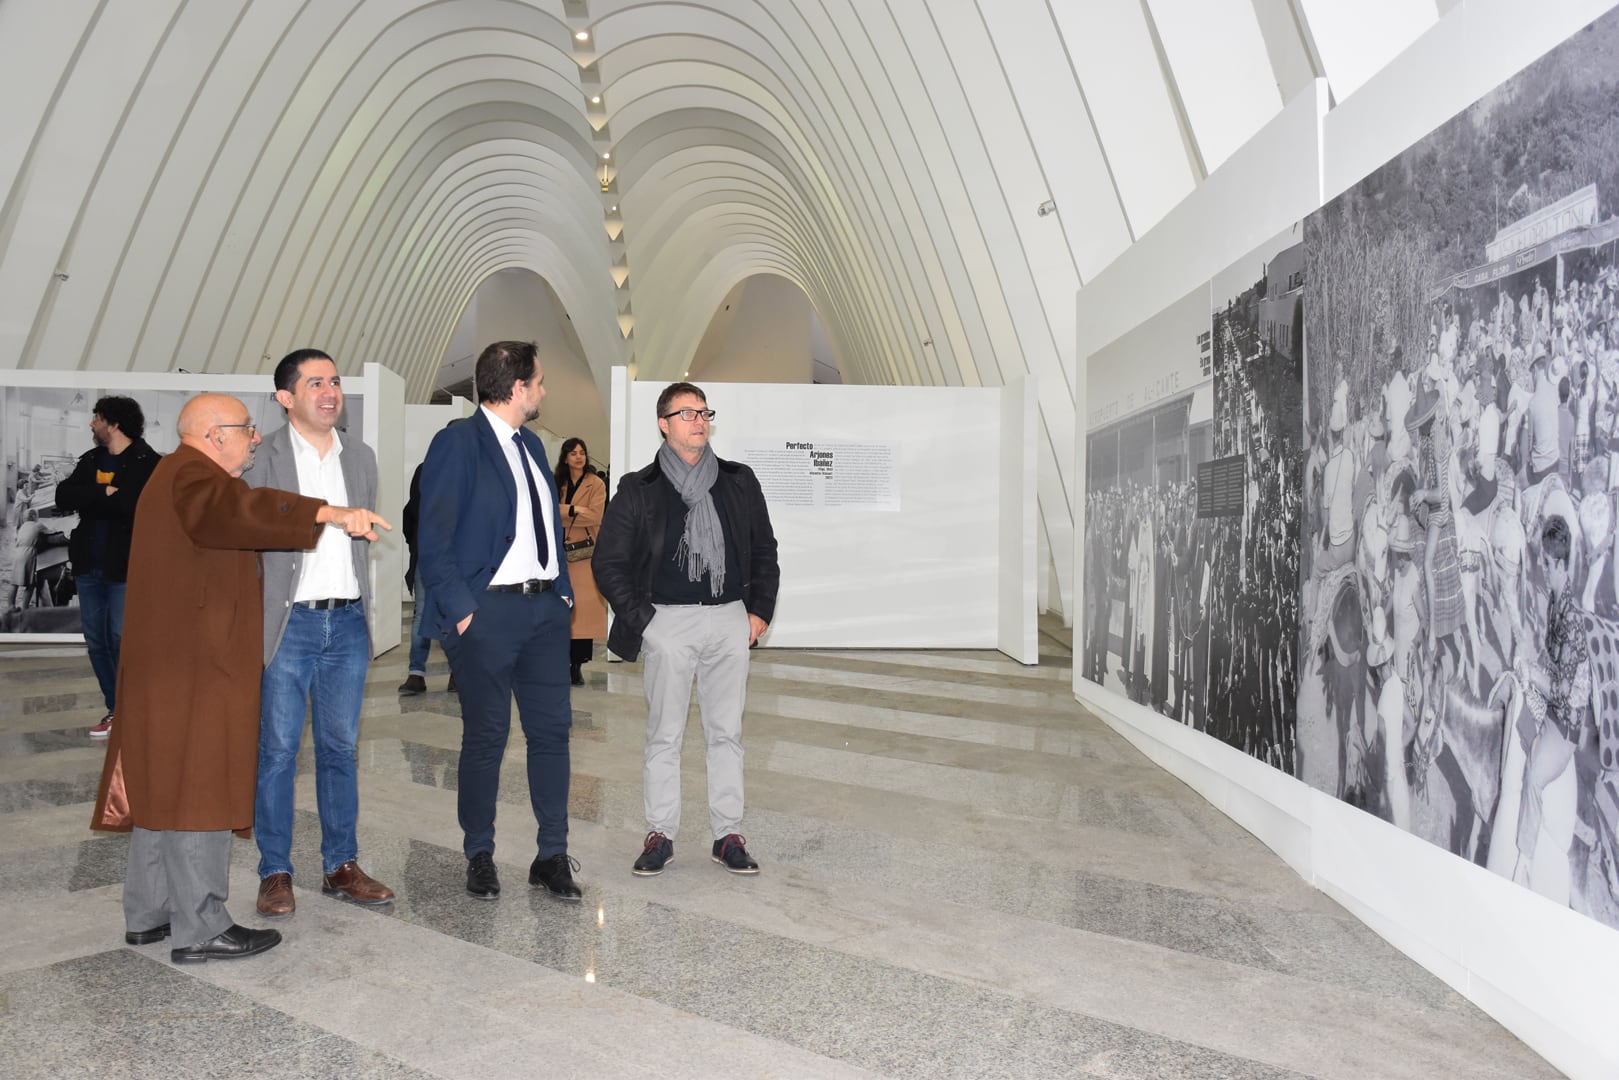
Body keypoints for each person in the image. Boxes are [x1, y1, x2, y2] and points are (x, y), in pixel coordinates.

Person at [88, 393, 387, 963]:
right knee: (198, 787)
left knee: (162, 787)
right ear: (214, 434)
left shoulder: (178, 474)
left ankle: (149, 913)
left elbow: (233, 516)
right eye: (247, 430)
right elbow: (239, 513)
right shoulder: (194, 477)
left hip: (170, 667)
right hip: (194, 670)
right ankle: (201, 927)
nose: (256, 438)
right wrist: (326, 512)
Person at [594, 381, 780, 877]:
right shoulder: (640, 488)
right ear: (664, 423)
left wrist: (758, 612)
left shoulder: (738, 481)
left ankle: (728, 835)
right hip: (667, 621)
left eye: (703, 412)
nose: (699, 420)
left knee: (727, 732)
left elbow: (764, 549)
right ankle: (660, 834)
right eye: (687, 413)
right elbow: (608, 563)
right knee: (664, 735)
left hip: (728, 618)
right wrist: (646, 623)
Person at [418, 341, 581, 902]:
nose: (542, 391)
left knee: (551, 734)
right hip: (488, 612)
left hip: (543, 613)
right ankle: (479, 853)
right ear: (517, 388)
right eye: (538, 382)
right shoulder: (456, 444)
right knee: (486, 737)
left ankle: (552, 854)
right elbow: (433, 540)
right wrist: (464, 612)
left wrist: (561, 593)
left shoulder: (534, 446)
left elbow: (549, 530)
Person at [246, 350, 395, 917]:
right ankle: (275, 871)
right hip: (289, 623)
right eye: (315, 383)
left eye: (334, 381)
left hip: (347, 621)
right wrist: (329, 511)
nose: (330, 391)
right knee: (279, 751)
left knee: (340, 749)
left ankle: (341, 865)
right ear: (286, 398)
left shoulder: (360, 456)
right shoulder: (264, 455)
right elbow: (255, 515)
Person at [54, 396, 161, 738]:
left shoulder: (149, 463)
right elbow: (62, 496)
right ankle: (116, 709)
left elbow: (132, 506)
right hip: (88, 566)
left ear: (113, 423)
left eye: (96, 418)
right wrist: (106, 492)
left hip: (126, 568)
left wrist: (97, 496)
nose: (91, 424)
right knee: (96, 640)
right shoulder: (90, 460)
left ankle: (135, 708)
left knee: (121, 639)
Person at [398, 446, 455, 696]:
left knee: (453, 613)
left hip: (456, 558)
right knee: (423, 612)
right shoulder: (426, 470)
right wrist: (417, 545)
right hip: (429, 555)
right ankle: (416, 673)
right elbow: (411, 513)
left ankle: (457, 672)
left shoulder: (470, 472)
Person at [555, 437, 608, 686]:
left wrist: (566, 510)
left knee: (583, 614)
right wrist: (576, 510)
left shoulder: (596, 483)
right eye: (573, 453)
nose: (579, 457)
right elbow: (549, 512)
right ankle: (560, 662)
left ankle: (576, 666)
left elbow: (595, 516)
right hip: (558, 555)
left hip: (585, 555)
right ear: (565, 457)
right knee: (560, 611)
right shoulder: (556, 482)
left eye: (582, 452)